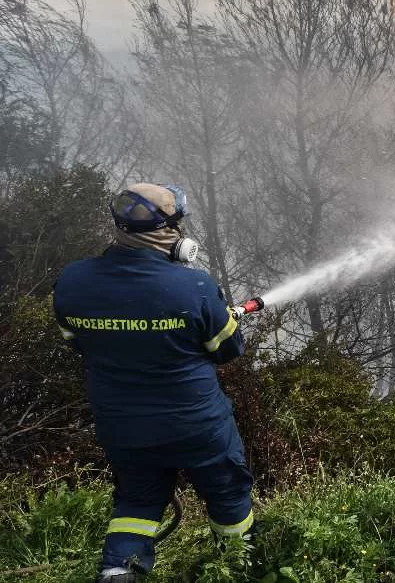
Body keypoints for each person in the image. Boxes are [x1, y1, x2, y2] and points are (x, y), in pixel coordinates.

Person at [52, 183, 253, 582]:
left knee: (137, 501)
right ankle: (236, 567)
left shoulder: (71, 282)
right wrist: (215, 316)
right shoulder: (194, 287)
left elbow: (77, 342)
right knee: (227, 493)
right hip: (198, 425)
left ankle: (117, 572)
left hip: (123, 427)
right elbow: (227, 349)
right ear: (168, 231)